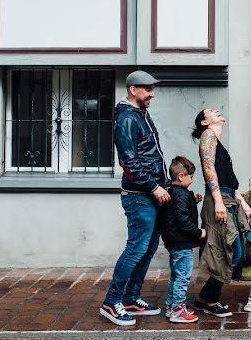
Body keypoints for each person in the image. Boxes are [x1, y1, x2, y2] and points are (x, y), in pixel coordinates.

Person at [99, 70, 170, 327]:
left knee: (148, 249)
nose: (152, 94)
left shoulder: (141, 114)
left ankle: (130, 298)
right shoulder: (128, 117)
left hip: (150, 194)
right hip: (139, 196)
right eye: (148, 89)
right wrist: (154, 186)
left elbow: (150, 155)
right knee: (136, 249)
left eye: (152, 89)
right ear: (133, 90)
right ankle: (111, 302)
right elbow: (128, 161)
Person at [191, 108, 251, 317]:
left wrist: (244, 205)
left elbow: (230, 182)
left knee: (232, 252)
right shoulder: (207, 136)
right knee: (231, 252)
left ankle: (205, 299)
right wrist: (219, 202)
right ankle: (207, 299)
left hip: (227, 199)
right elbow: (208, 169)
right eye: (210, 111)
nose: (216, 110)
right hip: (219, 201)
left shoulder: (218, 144)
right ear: (204, 122)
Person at [159, 156, 206, 324]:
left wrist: (193, 200)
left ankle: (172, 306)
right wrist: (198, 232)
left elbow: (177, 210)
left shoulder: (173, 191)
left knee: (175, 275)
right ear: (181, 176)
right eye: (191, 176)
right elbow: (183, 220)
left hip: (173, 242)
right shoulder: (180, 194)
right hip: (181, 242)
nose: (192, 180)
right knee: (183, 277)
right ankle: (178, 310)